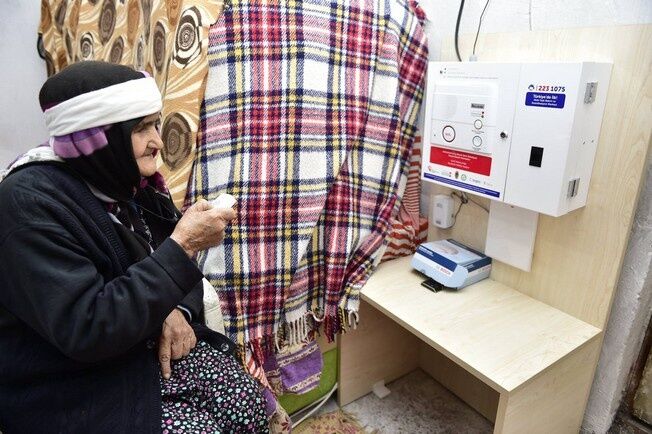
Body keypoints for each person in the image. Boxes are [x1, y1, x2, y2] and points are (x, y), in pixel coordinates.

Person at [0, 61, 268, 433]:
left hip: (136, 349)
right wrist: (183, 245)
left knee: (246, 401)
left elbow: (176, 274)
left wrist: (174, 309)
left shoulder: (124, 183)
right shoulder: (30, 206)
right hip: (68, 384)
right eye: (141, 128)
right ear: (98, 136)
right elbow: (87, 328)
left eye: (155, 124)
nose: (158, 141)